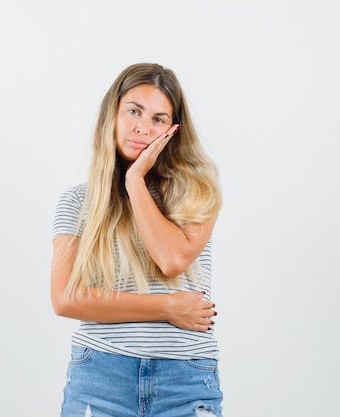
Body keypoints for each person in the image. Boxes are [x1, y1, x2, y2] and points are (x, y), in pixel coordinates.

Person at [51, 63, 224, 417]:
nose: (143, 127)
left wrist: (135, 182)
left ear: (174, 130)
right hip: (101, 375)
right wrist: (167, 307)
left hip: (185, 378)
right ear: (112, 115)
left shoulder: (196, 191)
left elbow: (172, 259)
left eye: (159, 119)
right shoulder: (77, 202)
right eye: (133, 111)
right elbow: (66, 299)